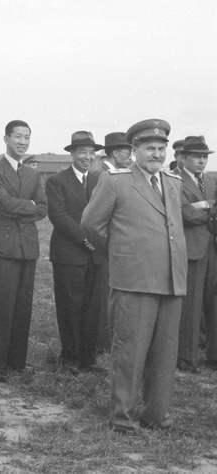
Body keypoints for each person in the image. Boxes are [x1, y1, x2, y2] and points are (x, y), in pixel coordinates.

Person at [81, 119, 187, 433]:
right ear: (134, 150)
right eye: (149, 148)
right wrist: (120, 252)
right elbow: (90, 224)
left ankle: (156, 414)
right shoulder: (115, 181)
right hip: (134, 280)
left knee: (165, 354)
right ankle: (121, 417)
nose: (156, 154)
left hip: (171, 280)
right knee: (130, 352)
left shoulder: (173, 181)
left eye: (161, 148)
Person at [0, 120, 47, 381]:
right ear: (6, 139)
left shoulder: (33, 174)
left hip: (27, 248)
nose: (22, 142)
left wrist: (24, 206)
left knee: (23, 307)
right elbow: (2, 204)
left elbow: (43, 208)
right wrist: (28, 205)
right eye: (18, 137)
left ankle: (16, 362)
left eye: (27, 138)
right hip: (3, 246)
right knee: (2, 305)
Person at [46, 131, 104, 373]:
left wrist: (98, 241)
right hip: (69, 254)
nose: (88, 157)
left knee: (92, 309)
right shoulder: (57, 181)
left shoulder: (100, 179)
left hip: (95, 255)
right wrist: (85, 239)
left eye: (92, 153)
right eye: (83, 152)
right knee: (70, 307)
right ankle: (70, 358)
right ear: (72, 153)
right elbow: (58, 215)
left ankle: (88, 359)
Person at [174, 136, 215, 373]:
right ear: (183, 158)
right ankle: (187, 357)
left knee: (213, 302)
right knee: (192, 304)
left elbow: (195, 211)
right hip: (191, 250)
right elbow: (184, 215)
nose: (201, 162)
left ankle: (213, 355)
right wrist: (209, 208)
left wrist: (202, 206)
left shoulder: (210, 180)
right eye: (197, 157)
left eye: (204, 157)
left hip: (212, 247)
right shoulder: (175, 180)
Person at [92, 132, 132, 353]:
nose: (131, 156)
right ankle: (103, 342)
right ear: (115, 153)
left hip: (118, 246)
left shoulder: (118, 174)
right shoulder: (101, 175)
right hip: (106, 246)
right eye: (128, 152)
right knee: (105, 295)